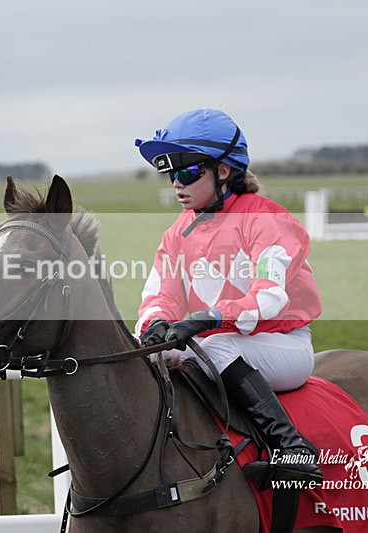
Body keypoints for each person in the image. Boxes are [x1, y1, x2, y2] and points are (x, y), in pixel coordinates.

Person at [134, 108, 323, 482]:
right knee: (148, 353)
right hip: (222, 341)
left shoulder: (268, 220)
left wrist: (209, 317)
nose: (176, 183)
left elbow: (268, 295)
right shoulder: (177, 233)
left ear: (223, 171)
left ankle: (293, 448)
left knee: (217, 347)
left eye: (187, 171)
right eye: (171, 173)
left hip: (281, 344)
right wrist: (154, 323)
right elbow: (160, 292)